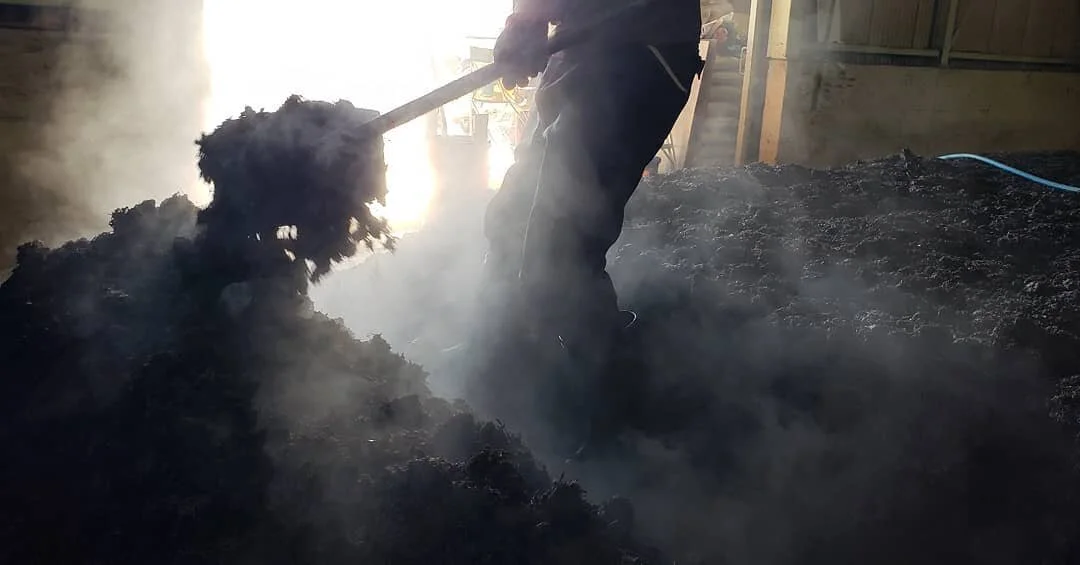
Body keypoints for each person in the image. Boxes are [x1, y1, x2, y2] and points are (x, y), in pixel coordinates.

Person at [482, 0, 704, 362]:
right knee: (512, 211)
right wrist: (528, 19)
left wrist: (529, 17)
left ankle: (596, 363)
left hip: (640, 48)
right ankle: (497, 338)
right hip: (577, 43)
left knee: (565, 231)